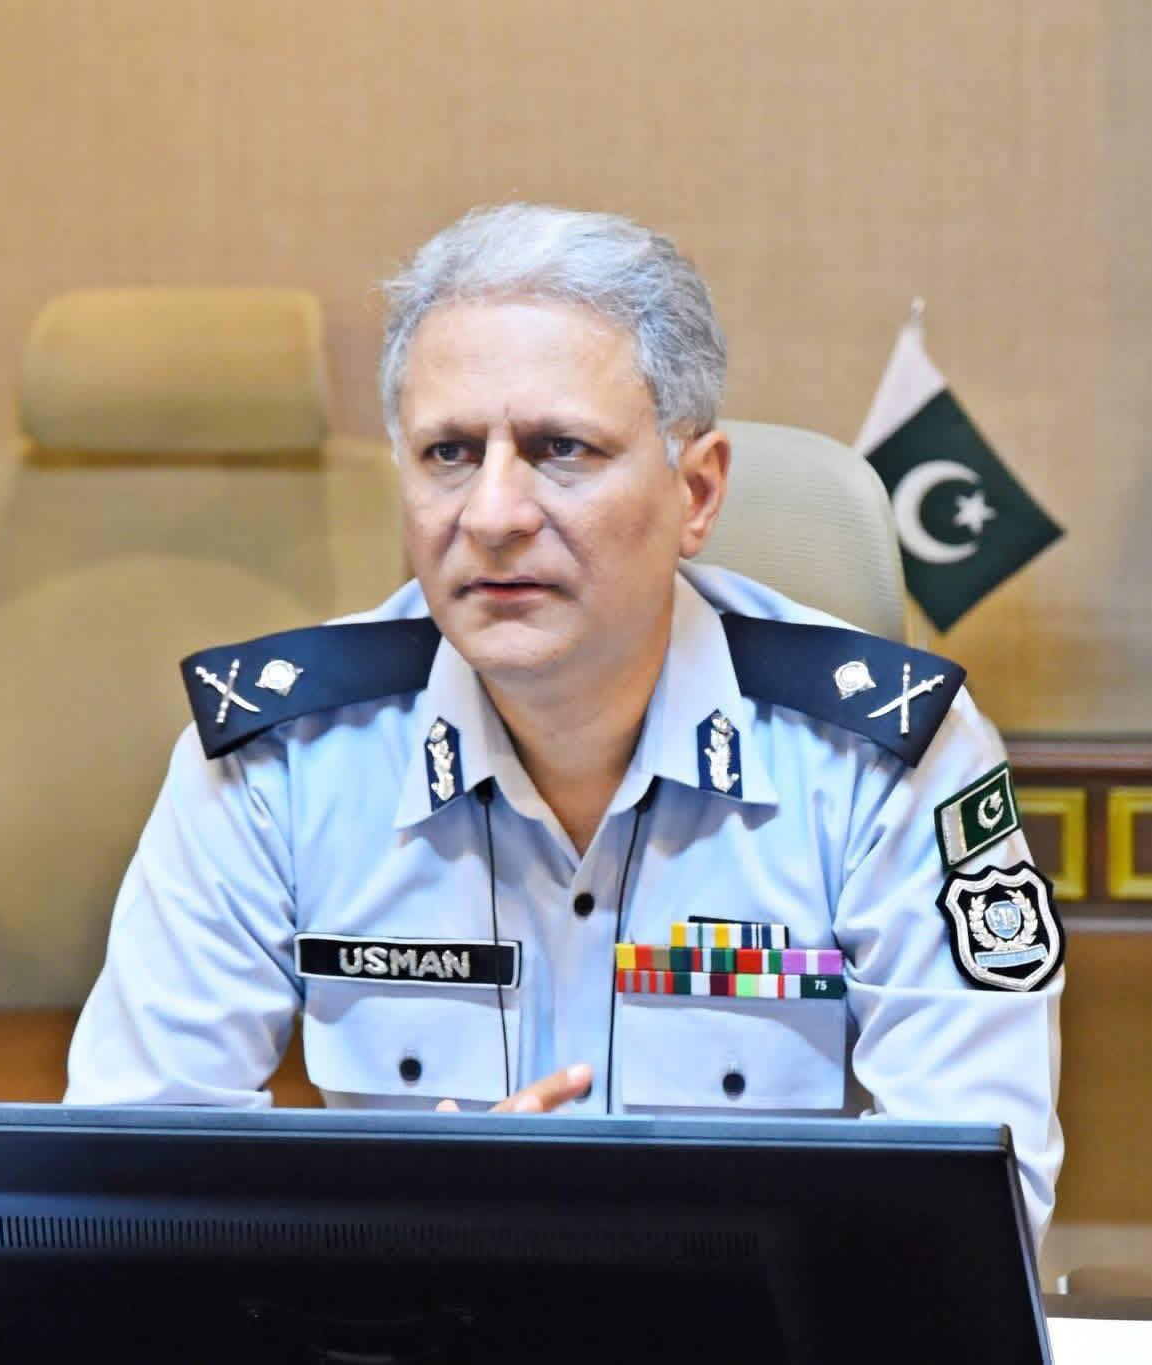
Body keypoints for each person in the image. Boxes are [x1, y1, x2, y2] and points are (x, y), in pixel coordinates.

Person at [65, 203, 1063, 1240]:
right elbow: (126, 1193)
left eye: (560, 449)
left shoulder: (888, 763)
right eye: (449, 453)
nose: (492, 515)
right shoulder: (277, 762)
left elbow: (977, 1218)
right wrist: (405, 1239)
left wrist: (592, 1266)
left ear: (696, 493)